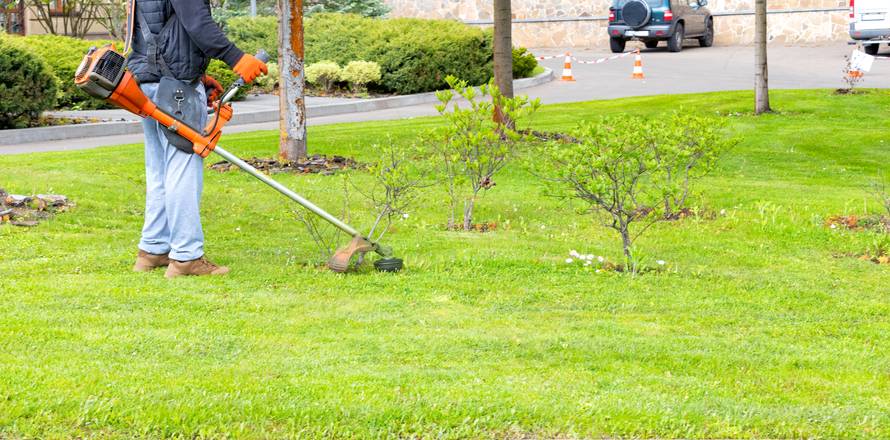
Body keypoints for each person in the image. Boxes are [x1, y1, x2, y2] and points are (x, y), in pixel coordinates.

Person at [125, 0, 267, 278]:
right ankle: (186, 257)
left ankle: (153, 250)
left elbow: (161, 29)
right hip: (175, 87)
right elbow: (197, 23)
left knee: (160, 172)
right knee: (183, 169)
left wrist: (198, 74)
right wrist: (236, 57)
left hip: (150, 84)